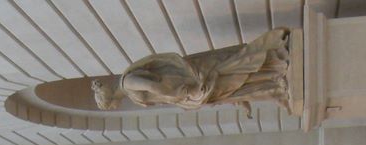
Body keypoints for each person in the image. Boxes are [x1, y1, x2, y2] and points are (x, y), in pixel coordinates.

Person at [92, 28, 291, 117]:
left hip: (190, 80)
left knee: (232, 71)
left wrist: (184, 93)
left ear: (109, 99)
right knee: (232, 86)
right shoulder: (130, 93)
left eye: (109, 106)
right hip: (188, 88)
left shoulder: (127, 83)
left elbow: (153, 85)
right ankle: (274, 84)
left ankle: (275, 61)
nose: (114, 107)